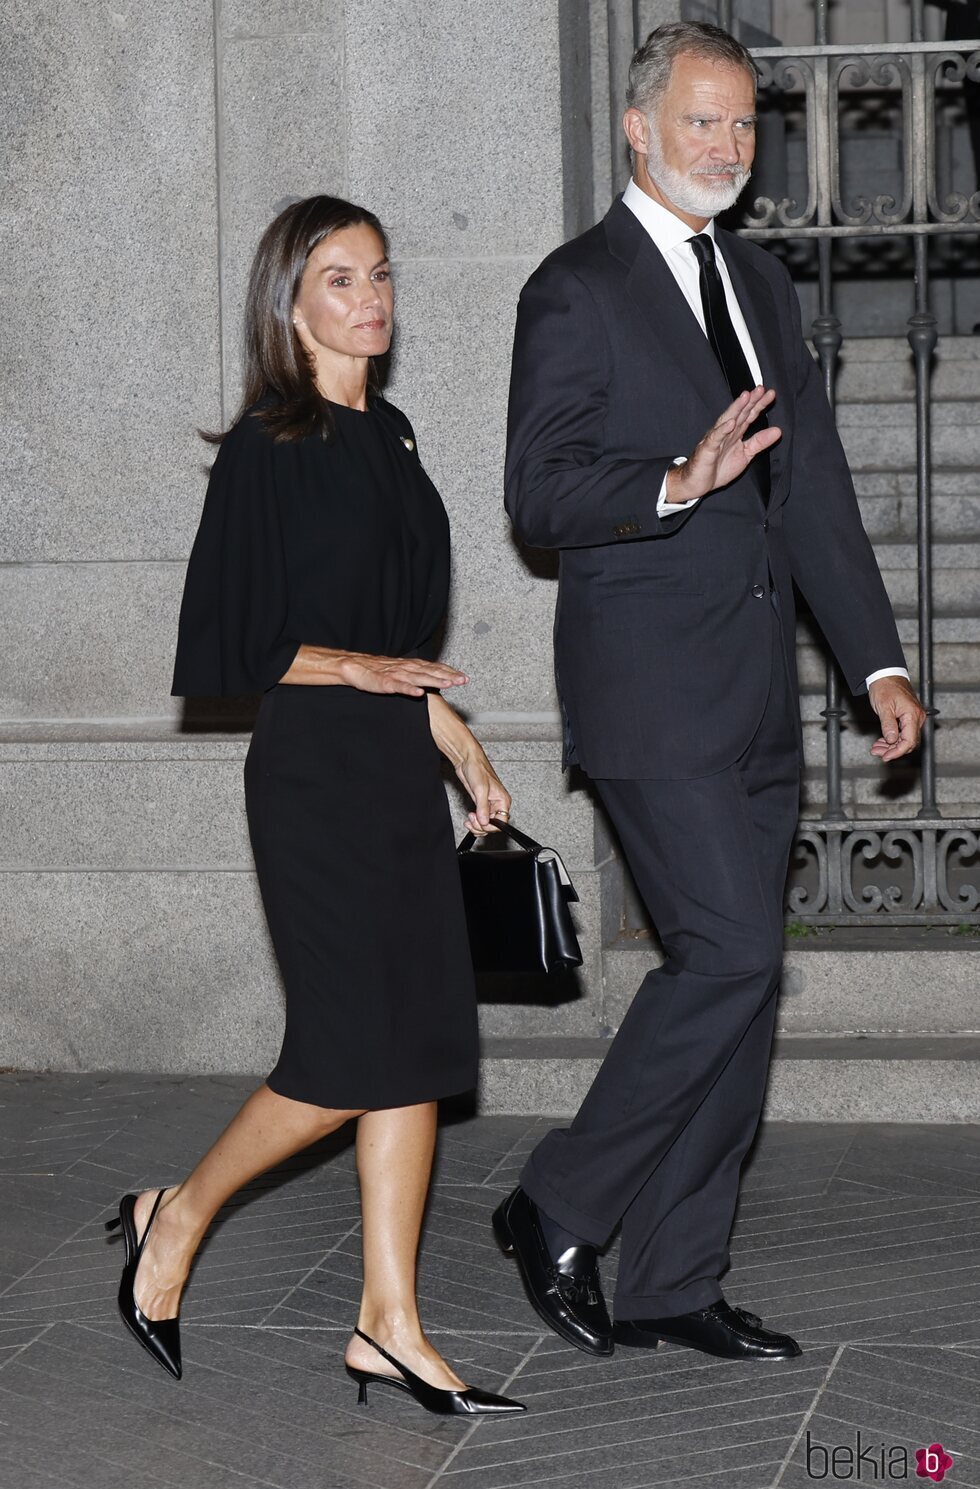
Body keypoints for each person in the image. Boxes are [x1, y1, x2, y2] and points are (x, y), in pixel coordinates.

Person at [497, 23, 926, 1363]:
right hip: (648, 692)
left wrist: (877, 660)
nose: (729, 151)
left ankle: (677, 1276)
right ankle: (558, 1203)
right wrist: (676, 482)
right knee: (734, 954)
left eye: (746, 128)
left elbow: (813, 489)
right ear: (638, 128)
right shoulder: (577, 288)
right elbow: (538, 490)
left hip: (757, 695)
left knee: (739, 985)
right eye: (703, 124)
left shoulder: (756, 280)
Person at [106, 195, 524, 1417]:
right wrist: (364, 674)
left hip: (394, 763)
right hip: (313, 776)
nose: (371, 298)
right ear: (289, 305)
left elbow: (401, 641)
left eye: (381, 274)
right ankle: (175, 1215)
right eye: (339, 278)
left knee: (418, 1045)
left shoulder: (389, 437)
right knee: (346, 1055)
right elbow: (229, 639)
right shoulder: (266, 446)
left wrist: (456, 742)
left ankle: (387, 1322)